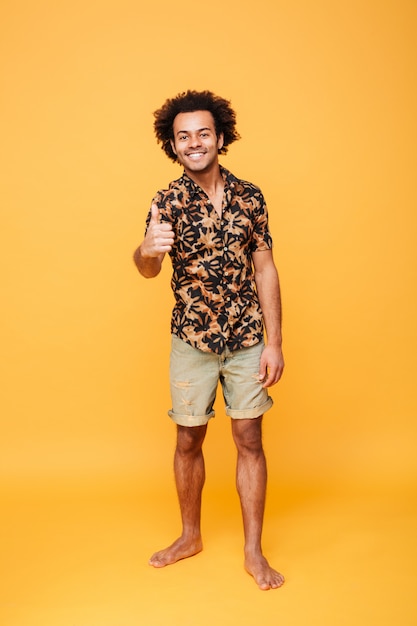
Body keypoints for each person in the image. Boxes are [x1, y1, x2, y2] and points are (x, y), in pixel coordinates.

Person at [133, 90, 285, 590]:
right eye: (183, 137)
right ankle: (190, 536)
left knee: (249, 439)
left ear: (220, 138)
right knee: (187, 439)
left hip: (246, 336)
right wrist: (146, 251)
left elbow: (265, 268)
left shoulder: (251, 196)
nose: (194, 143)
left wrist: (274, 342)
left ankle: (252, 551)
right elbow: (148, 269)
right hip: (191, 340)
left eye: (203, 133)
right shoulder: (165, 201)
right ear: (172, 146)